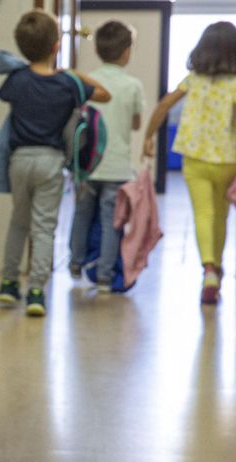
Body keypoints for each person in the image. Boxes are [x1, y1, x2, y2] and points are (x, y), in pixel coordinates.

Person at [0, 10, 110, 318]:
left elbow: (6, 92)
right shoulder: (67, 85)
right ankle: (36, 290)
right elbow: (104, 94)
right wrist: (73, 72)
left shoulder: (16, 80)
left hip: (19, 160)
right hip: (50, 161)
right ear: (56, 46)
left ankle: (8, 284)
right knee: (44, 228)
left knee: (18, 222)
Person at [142, 21, 236, 304]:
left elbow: (163, 105)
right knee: (221, 215)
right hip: (225, 159)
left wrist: (148, 136)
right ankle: (216, 267)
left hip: (194, 158)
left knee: (203, 214)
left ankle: (208, 269)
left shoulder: (193, 79)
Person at [69, 20, 144, 293]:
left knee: (81, 213)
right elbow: (136, 124)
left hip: (88, 165)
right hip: (117, 166)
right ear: (127, 51)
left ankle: (76, 263)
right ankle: (104, 276)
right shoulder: (133, 85)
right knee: (111, 221)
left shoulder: (89, 81)